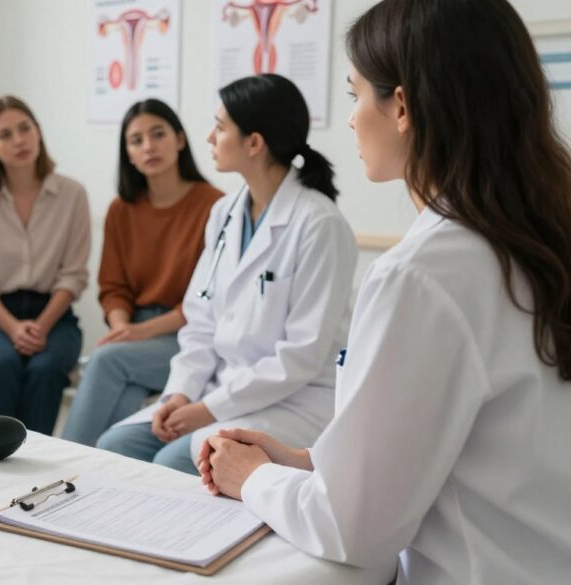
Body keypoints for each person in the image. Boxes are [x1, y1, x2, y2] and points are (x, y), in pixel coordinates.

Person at [199, 1, 571, 583]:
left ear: (401, 106)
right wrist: (306, 462)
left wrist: (254, 479)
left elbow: (356, 529)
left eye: (353, 96)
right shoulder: (539, 237)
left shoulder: (424, 275)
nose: (350, 120)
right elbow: (478, 446)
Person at [96, 74, 357, 474]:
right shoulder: (225, 213)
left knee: (175, 462)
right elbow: (200, 322)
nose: (209, 138)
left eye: (220, 127)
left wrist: (208, 410)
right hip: (220, 388)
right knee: (114, 445)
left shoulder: (320, 224)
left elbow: (300, 356)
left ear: (254, 143)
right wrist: (181, 395)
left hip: (293, 400)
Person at [62, 98, 222, 446]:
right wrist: (123, 328)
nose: (148, 146)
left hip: (190, 335)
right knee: (123, 384)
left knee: (105, 363)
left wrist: (139, 333)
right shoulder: (122, 210)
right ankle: (106, 481)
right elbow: (112, 287)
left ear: (180, 140)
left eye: (158, 134)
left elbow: (207, 299)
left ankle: (63, 466)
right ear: (128, 154)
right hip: (134, 332)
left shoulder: (214, 206)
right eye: (136, 141)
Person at [0, 95, 90, 434]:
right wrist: (13, 328)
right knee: (2, 364)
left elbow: (73, 275)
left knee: (45, 369)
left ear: (38, 132)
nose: (19, 140)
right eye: (5, 135)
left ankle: (38, 465)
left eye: (25, 129)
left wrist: (42, 326)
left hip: (54, 314)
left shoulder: (72, 194)